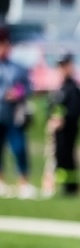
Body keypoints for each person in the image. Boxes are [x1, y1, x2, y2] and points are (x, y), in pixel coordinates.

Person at [0, 26, 34, 197]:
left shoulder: (18, 67)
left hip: (14, 115)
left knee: (19, 148)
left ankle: (23, 181)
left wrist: (17, 93)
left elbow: (28, 87)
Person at [46, 54, 80, 197]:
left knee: (68, 157)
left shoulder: (74, 88)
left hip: (69, 129)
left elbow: (76, 109)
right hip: (57, 130)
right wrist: (51, 119)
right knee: (60, 157)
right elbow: (51, 107)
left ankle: (71, 188)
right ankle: (63, 186)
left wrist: (65, 119)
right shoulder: (60, 88)